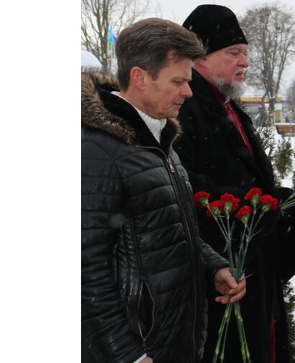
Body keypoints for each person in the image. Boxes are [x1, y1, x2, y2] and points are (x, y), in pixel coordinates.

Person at [82, 18, 247, 363]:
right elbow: (85, 270)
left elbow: (165, 227)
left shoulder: (159, 139)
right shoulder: (97, 151)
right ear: (140, 77)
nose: (188, 91)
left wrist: (212, 266)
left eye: (188, 80)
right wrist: (126, 354)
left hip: (173, 343)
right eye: (178, 81)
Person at [176, 4, 295, 363]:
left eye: (245, 53)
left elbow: (247, 179)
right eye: (233, 53)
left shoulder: (225, 104)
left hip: (249, 264)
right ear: (200, 56)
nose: (244, 62)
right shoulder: (184, 104)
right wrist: (254, 204)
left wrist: (286, 202)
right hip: (222, 273)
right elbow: (183, 184)